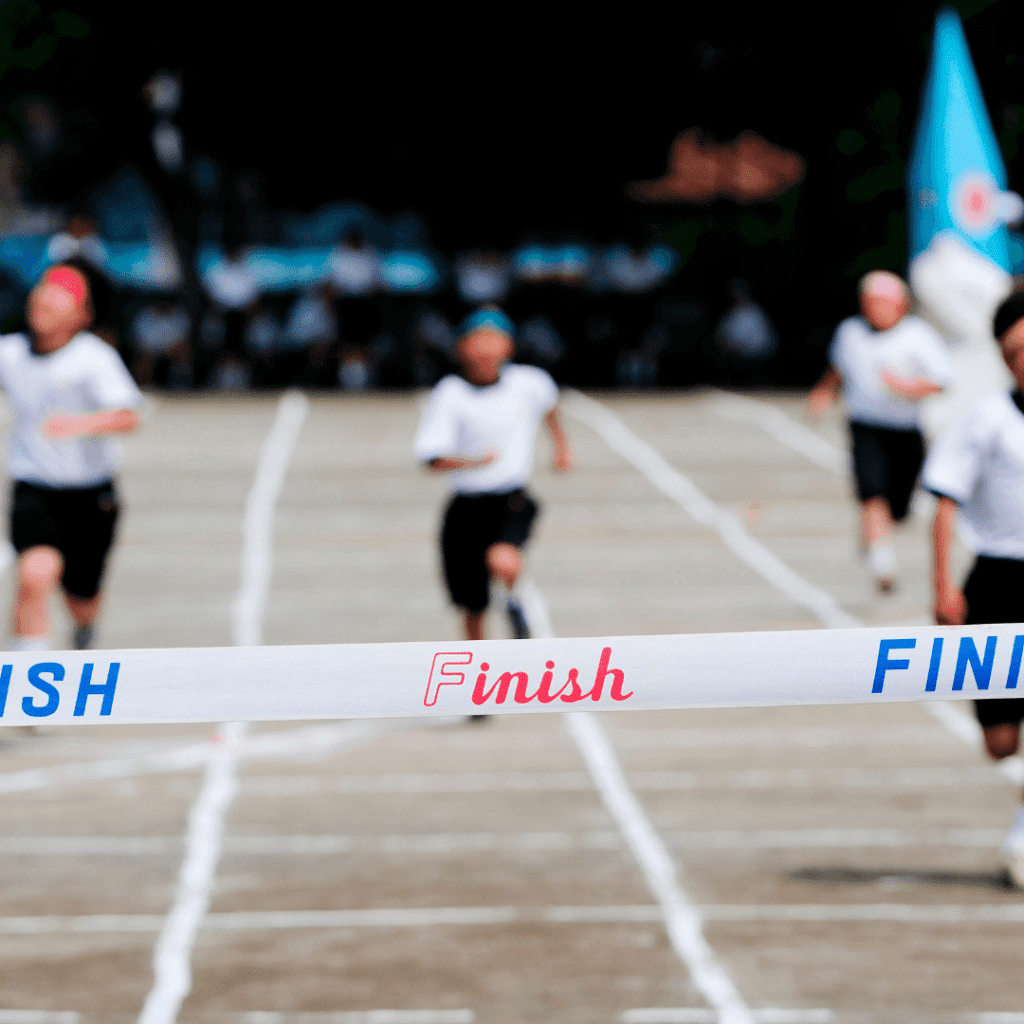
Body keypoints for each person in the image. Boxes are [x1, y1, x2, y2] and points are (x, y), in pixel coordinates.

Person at [923, 290, 1024, 888]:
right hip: (998, 578)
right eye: (1013, 351)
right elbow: (944, 500)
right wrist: (943, 586)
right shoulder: (986, 419)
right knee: (999, 741)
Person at [0, 260, 143, 651]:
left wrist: (78, 425)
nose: (45, 300)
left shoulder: (93, 358)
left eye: (60, 296)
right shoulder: (11, 353)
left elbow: (129, 416)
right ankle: (25, 689)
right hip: (35, 488)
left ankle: (84, 628)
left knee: (82, 597)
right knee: (34, 576)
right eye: (43, 292)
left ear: (80, 315)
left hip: (90, 495)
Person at [414, 307, 572, 644]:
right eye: (478, 341)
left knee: (503, 560)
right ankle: (477, 664)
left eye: (494, 340)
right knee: (471, 604)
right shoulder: (451, 393)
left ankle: (515, 602)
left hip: (510, 498)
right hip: (466, 505)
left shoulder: (530, 382)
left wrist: (561, 447)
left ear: (508, 347)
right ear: (462, 348)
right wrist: (471, 462)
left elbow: (550, 407)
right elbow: (430, 457)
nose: (486, 349)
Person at [807, 270, 953, 592]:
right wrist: (823, 393)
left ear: (900, 305)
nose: (875, 309)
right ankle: (881, 559)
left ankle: (874, 538)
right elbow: (838, 367)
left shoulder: (918, 335)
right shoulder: (850, 332)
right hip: (865, 425)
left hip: (905, 429)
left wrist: (905, 387)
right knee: (872, 492)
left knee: (899, 506)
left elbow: (941, 382)